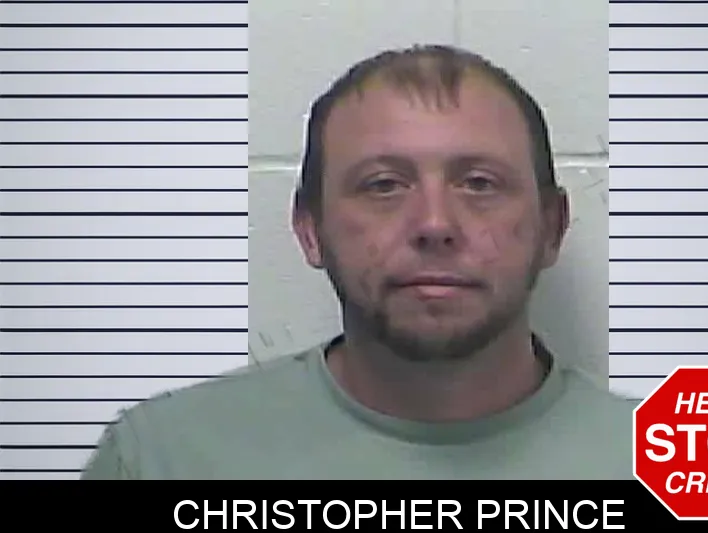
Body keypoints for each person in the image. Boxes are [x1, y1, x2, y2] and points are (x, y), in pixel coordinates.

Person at [82, 44, 634, 480]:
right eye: (383, 185)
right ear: (311, 230)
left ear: (552, 228)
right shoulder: (163, 459)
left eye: (479, 183)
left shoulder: (668, 470)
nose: (435, 223)